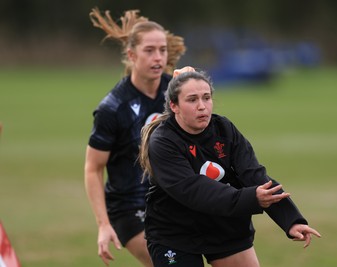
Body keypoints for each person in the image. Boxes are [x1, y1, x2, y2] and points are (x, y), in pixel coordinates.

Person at [139, 68, 321, 267]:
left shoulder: (224, 129)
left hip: (224, 227)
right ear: (174, 105)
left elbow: (254, 175)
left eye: (206, 98)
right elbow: (194, 190)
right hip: (175, 234)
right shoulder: (163, 141)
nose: (202, 106)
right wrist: (251, 198)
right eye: (192, 100)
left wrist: (291, 219)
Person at [84, 8, 186, 266]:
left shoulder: (176, 92)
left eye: (162, 50)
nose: (158, 57)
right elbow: (93, 169)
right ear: (131, 55)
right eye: (149, 50)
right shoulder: (113, 108)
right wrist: (103, 224)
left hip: (173, 200)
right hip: (130, 209)